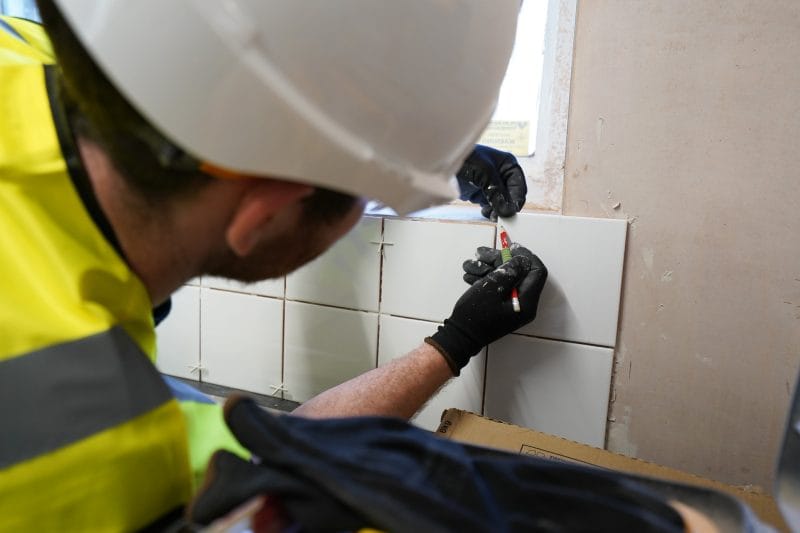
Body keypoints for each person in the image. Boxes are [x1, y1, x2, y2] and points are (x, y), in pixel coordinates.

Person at [0, 1, 549, 530]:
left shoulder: (29, 46)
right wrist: (457, 339)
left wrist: (393, 150)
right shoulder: (93, 445)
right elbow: (281, 459)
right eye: (365, 200)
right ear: (261, 218)